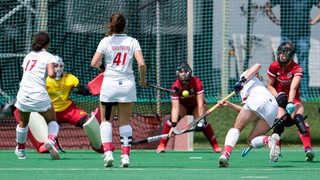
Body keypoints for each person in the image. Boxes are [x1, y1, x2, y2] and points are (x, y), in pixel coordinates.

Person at [91, 12, 147, 168]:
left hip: (109, 86)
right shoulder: (132, 41)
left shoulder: (105, 41)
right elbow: (141, 64)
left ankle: (108, 153)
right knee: (125, 122)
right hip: (127, 86)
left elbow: (94, 62)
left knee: (106, 120)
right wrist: (142, 80)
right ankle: (125, 156)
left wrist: (105, 67)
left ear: (111, 25)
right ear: (125, 26)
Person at [217, 63, 279, 168]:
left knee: (237, 128)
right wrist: (228, 104)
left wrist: (242, 80)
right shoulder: (257, 88)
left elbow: (258, 65)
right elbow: (247, 111)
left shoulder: (246, 76)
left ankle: (225, 154)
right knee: (251, 140)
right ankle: (268, 140)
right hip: (272, 107)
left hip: (257, 101)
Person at [156, 62, 222, 153]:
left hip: (196, 105)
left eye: (186, 71)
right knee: (171, 121)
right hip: (183, 106)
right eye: (181, 72)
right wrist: (174, 125)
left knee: (203, 123)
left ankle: (215, 145)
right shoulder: (175, 86)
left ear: (190, 73)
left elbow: (200, 104)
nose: (183, 74)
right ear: (177, 73)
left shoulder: (197, 83)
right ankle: (162, 144)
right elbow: (175, 108)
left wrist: (201, 121)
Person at [14, 31, 60, 160]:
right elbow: (51, 74)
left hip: (23, 94)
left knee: (23, 122)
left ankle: (21, 150)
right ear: (47, 44)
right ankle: (51, 140)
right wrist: (56, 73)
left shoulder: (28, 56)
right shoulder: (49, 57)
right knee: (52, 120)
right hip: (38, 94)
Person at [266, 41, 315, 162]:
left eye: (285, 53)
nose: (282, 55)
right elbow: (269, 85)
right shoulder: (274, 66)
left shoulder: (296, 68)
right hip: (279, 100)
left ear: (291, 55)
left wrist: (290, 102)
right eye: (281, 53)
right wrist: (278, 96)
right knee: (279, 123)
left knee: (299, 120)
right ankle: (276, 151)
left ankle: (308, 149)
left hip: (294, 100)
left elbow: (293, 87)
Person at [264, 0, 320, 99]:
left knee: (303, 66)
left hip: (303, 35)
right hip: (287, 35)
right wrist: (276, 20)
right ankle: (282, 94)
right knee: (283, 66)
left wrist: (314, 21)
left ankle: (303, 95)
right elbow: (267, 6)